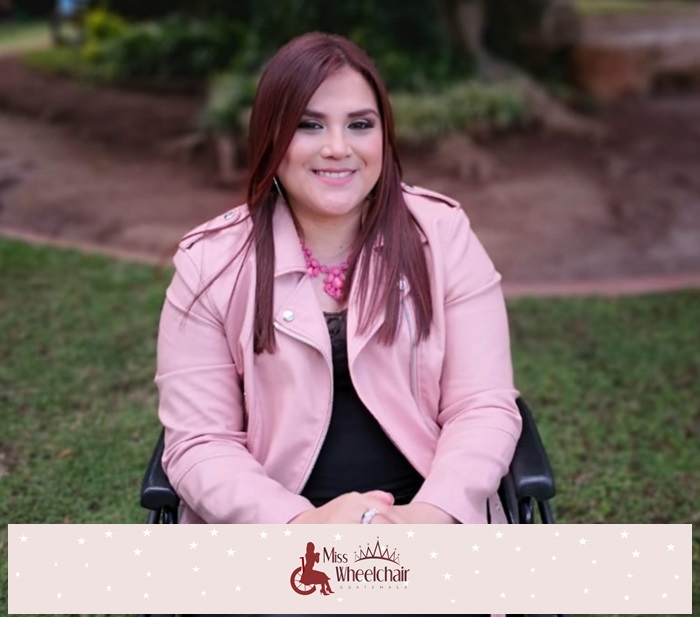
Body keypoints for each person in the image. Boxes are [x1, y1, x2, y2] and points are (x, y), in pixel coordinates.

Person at [155, 32, 521, 530]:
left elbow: (482, 405)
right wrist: (302, 526)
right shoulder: (210, 264)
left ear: (383, 135)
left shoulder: (442, 235)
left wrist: (433, 514)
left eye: (359, 124)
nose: (336, 148)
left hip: (429, 521)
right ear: (271, 137)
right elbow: (200, 443)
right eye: (309, 125)